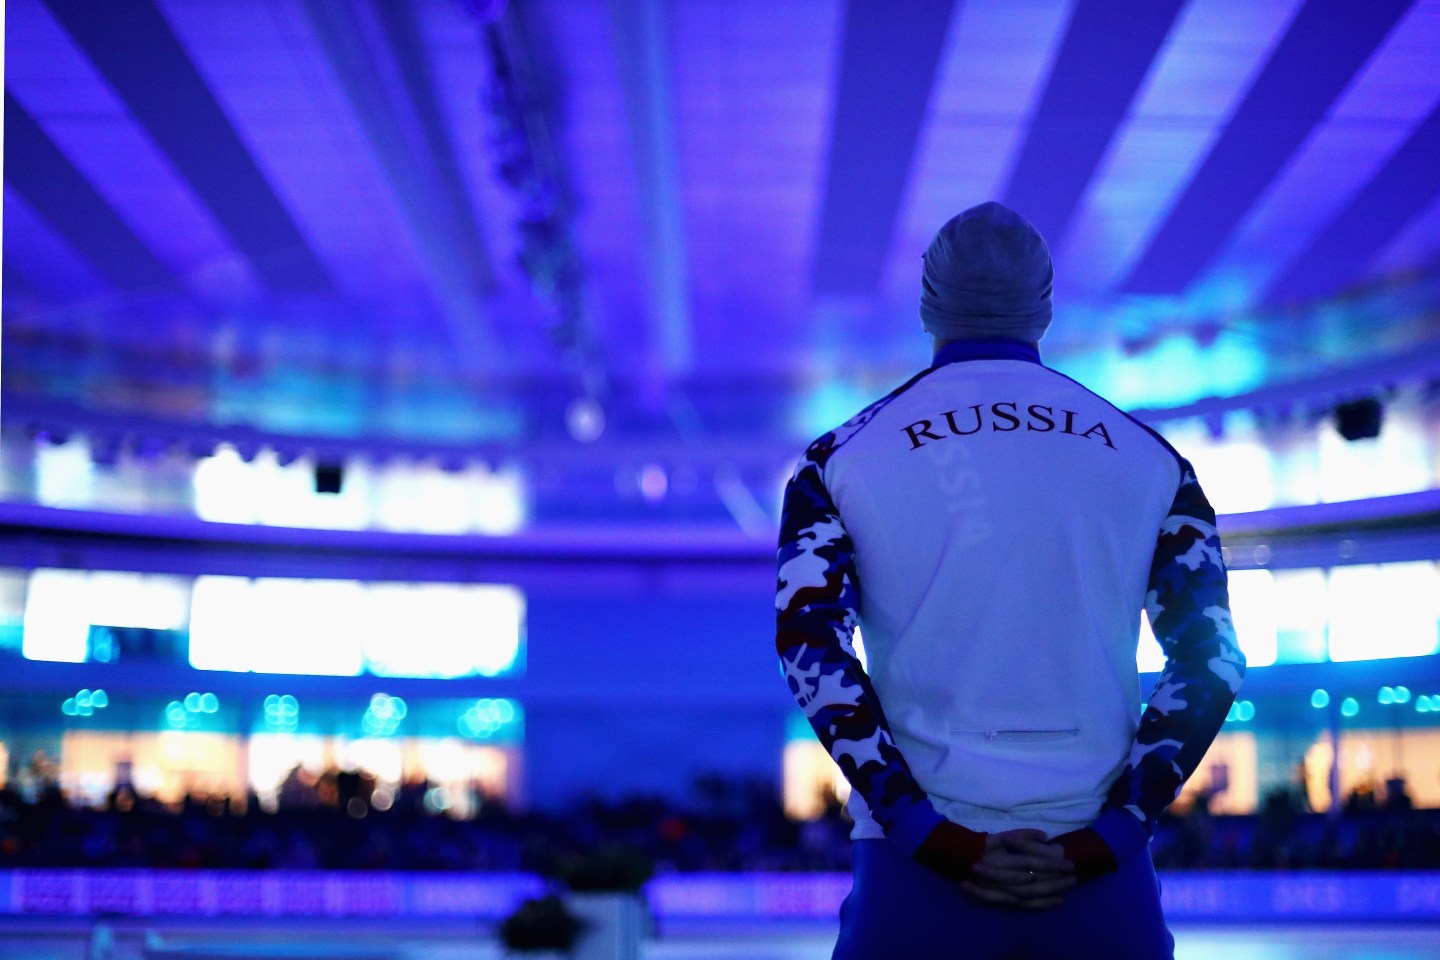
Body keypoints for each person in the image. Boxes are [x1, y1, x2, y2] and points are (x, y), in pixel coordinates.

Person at [776, 202, 1246, 959]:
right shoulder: (1150, 459)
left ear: (929, 303)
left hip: (916, 871)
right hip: (1098, 873)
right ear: (1046, 305)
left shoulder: (842, 458)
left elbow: (810, 647)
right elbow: (1210, 660)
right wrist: (1115, 831)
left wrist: (924, 832)